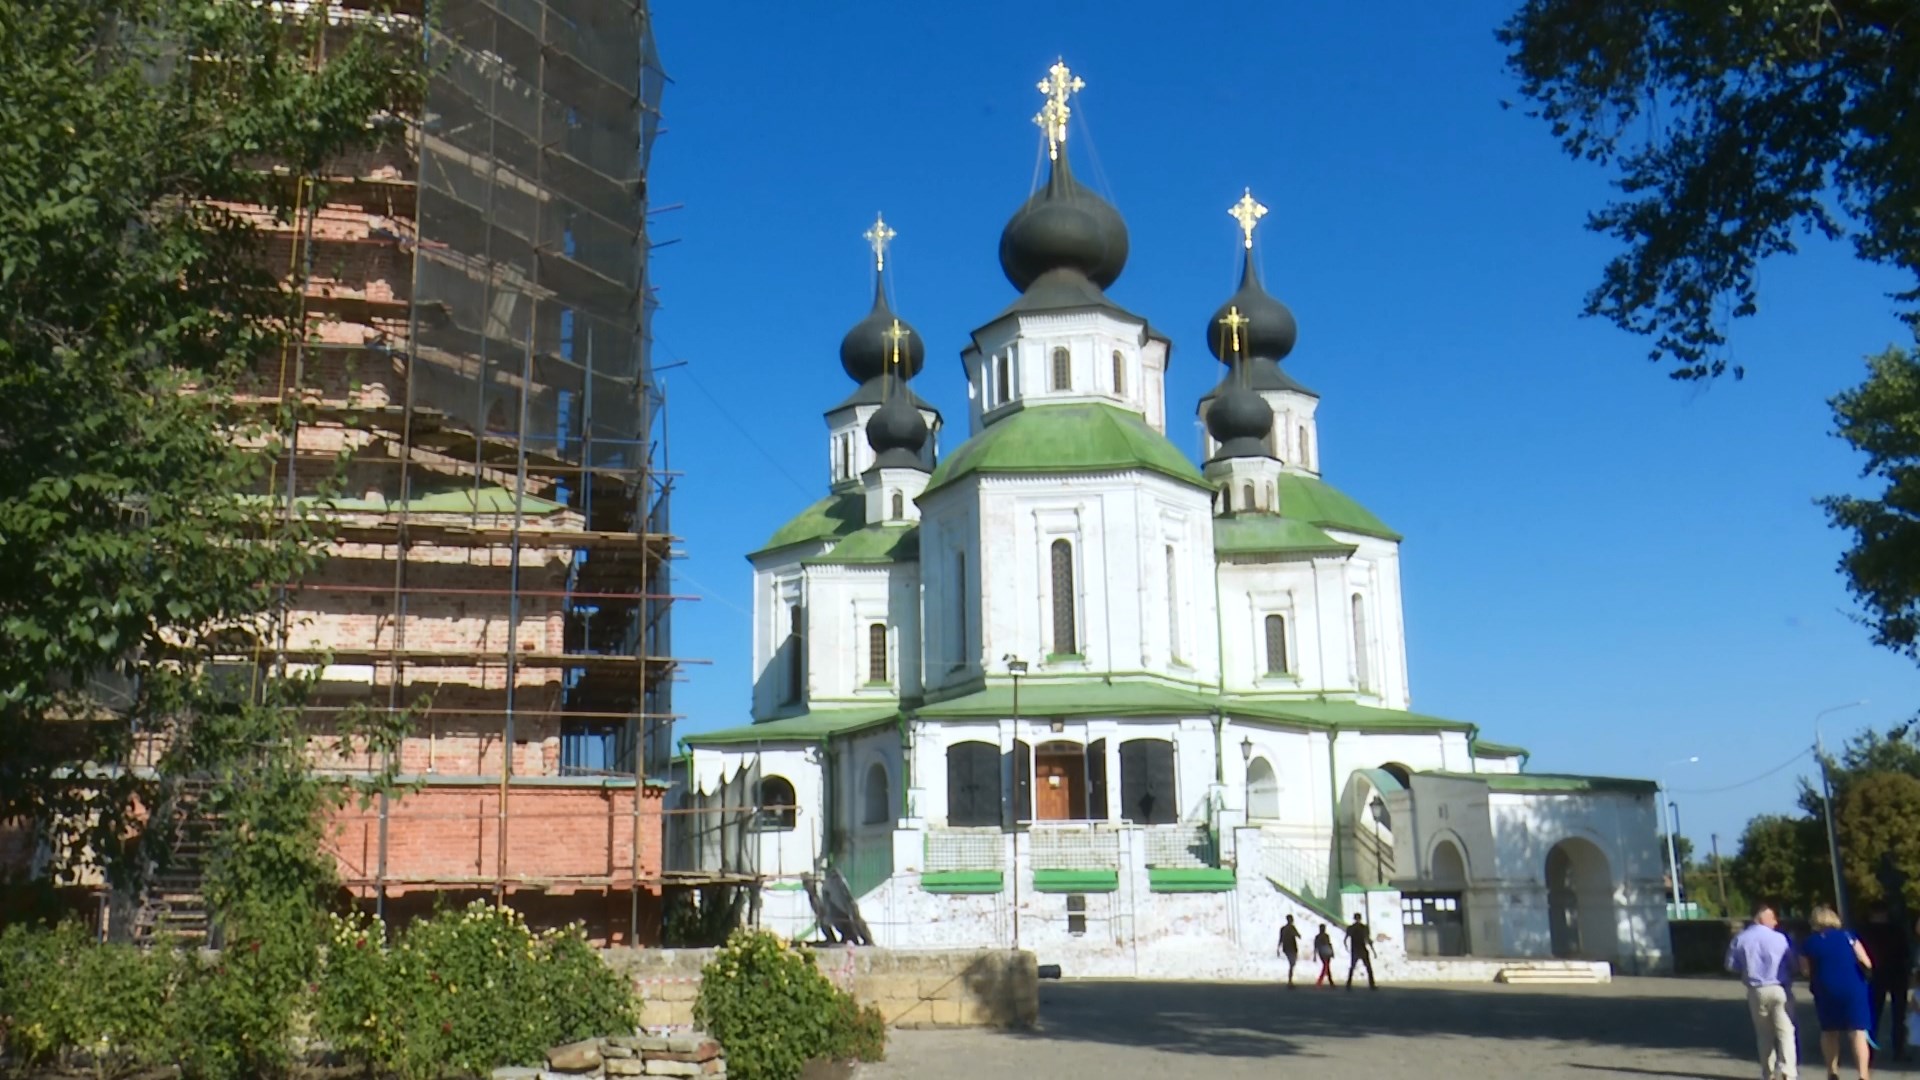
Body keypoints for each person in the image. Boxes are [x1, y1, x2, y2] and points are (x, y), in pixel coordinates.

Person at [1726, 901, 1798, 1080]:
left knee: (1764, 1034)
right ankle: (1788, 1071)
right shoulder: (1780, 938)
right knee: (1786, 1031)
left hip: (1756, 989)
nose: (1775, 922)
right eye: (1772, 917)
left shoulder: (1740, 939)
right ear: (1761, 917)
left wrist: (1747, 969)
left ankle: (1768, 1072)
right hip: (1780, 987)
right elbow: (1793, 963)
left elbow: (1730, 965)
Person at [1803, 904, 1875, 1080]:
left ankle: (1832, 1071)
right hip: (1853, 988)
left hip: (1826, 988)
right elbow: (1867, 962)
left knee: (1829, 1031)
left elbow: (1805, 970)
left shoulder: (1809, 942)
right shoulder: (1849, 936)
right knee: (1857, 1031)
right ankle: (1863, 1075)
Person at [1859, 902, 1911, 1062]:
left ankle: (1869, 1050)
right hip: (1897, 974)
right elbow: (1905, 952)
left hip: (1875, 975)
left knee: (1873, 1014)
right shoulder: (1897, 930)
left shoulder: (1864, 931)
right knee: (1898, 1015)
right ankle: (1898, 1049)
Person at [1345, 912, 1376, 990]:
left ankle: (1348, 984)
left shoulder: (1351, 928)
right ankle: (1372, 984)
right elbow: (1368, 939)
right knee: (1368, 968)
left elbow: (1345, 939)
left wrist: (1347, 948)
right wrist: (1373, 951)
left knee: (1352, 967)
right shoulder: (1364, 928)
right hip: (1362, 949)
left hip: (1354, 949)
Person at [1278, 914, 1302, 988]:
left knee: (1292, 964)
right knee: (1292, 964)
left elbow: (1280, 939)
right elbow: (1299, 936)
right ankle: (1290, 981)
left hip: (1286, 948)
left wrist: (1278, 947)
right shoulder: (1292, 928)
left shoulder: (1283, 928)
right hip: (1292, 948)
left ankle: (1290, 981)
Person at [1312, 924, 1335, 988]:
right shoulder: (1323, 936)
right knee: (1326, 966)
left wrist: (1315, 955)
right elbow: (1328, 944)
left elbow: (1316, 946)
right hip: (1324, 952)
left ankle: (1330, 982)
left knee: (1326, 967)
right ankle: (1321, 981)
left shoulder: (1320, 936)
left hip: (1324, 952)